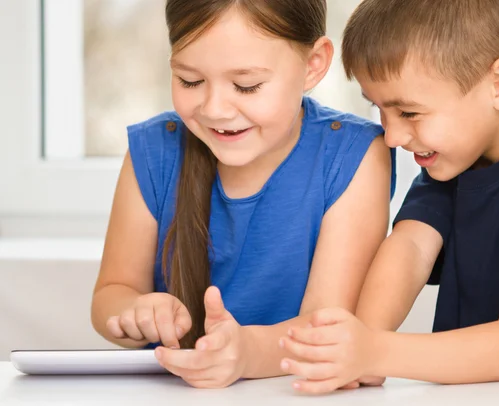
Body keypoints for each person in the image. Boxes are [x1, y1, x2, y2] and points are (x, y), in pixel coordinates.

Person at [279, 0, 499, 394]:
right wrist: (357, 342)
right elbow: (411, 247)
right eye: (378, 108)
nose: (392, 137)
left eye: (409, 113)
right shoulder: (458, 154)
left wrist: (374, 351)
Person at [90, 0, 395, 389]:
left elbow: (327, 325)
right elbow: (109, 297)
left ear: (314, 64)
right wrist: (133, 313)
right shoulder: (153, 152)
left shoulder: (354, 155)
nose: (215, 109)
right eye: (189, 80)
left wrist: (245, 352)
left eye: (246, 85)